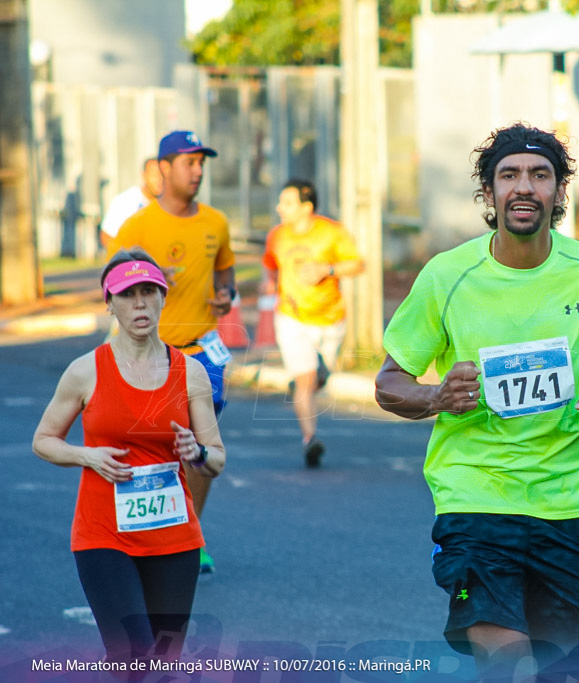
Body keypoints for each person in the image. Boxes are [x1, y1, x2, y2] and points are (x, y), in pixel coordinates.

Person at [374, 123, 579, 679]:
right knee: (508, 665)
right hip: (475, 496)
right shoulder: (448, 275)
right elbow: (389, 382)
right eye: (509, 175)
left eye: (539, 175)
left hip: (568, 501)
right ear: (488, 192)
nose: (524, 187)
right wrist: (436, 395)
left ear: (558, 192)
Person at [32, 248, 226, 670]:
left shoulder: (190, 373)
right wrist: (88, 456)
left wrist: (197, 452)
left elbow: (217, 459)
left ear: (163, 297)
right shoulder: (86, 371)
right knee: (131, 656)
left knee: (164, 660)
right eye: (127, 294)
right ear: (110, 304)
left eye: (148, 291)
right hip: (104, 536)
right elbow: (44, 440)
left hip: (175, 536)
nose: (139, 303)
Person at [109, 130, 235, 575]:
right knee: (147, 446)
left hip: (202, 353)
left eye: (202, 162)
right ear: (163, 168)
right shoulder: (138, 227)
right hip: (145, 354)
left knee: (200, 446)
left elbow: (226, 272)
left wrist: (227, 296)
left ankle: (190, 536)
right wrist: (147, 276)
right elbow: (108, 287)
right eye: (189, 162)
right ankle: (139, 534)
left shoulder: (216, 222)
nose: (198, 170)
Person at [262, 179, 364, 467]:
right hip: (291, 317)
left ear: (306, 207)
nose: (279, 208)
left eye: (287, 202)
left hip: (331, 318)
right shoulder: (277, 236)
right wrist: (269, 284)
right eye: (280, 202)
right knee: (306, 380)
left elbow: (357, 264)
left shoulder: (332, 233)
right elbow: (269, 264)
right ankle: (310, 439)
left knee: (319, 379)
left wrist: (327, 269)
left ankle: (305, 386)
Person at [99, 158, 164, 248]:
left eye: (162, 175)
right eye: (154, 175)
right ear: (144, 175)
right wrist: (129, 257)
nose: (159, 179)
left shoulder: (172, 203)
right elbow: (106, 237)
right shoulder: (125, 201)